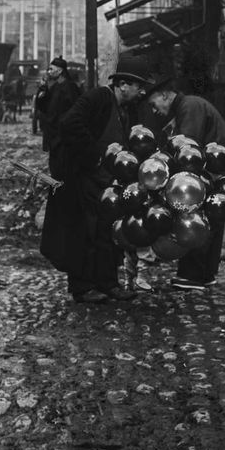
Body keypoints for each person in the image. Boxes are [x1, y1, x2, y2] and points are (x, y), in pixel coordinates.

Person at [39, 54, 154, 304]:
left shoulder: (128, 109)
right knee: (84, 233)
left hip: (106, 182)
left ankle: (108, 283)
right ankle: (82, 288)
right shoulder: (98, 98)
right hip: (82, 178)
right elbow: (70, 124)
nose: (141, 92)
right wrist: (94, 157)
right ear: (123, 84)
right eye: (138, 86)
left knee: (107, 233)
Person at [145, 76, 225, 291]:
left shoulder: (190, 106)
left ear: (165, 94)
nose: (154, 110)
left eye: (153, 103)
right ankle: (205, 274)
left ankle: (193, 275)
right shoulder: (190, 105)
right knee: (213, 218)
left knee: (197, 215)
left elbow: (187, 151)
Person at [38, 57, 80, 178]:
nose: (48, 72)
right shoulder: (55, 87)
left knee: (63, 171)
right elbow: (44, 108)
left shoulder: (70, 88)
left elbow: (74, 113)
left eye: (51, 69)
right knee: (55, 169)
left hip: (64, 138)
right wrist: (43, 88)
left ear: (60, 71)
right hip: (54, 136)